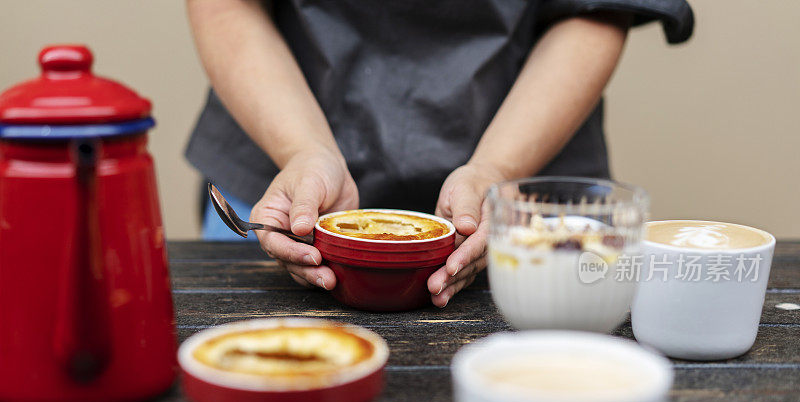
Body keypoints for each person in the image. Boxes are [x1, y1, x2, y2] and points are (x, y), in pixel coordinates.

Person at [185, 0, 693, 307]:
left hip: (522, 208)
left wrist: (497, 171)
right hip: (282, 173)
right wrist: (302, 149)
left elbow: (597, 8)